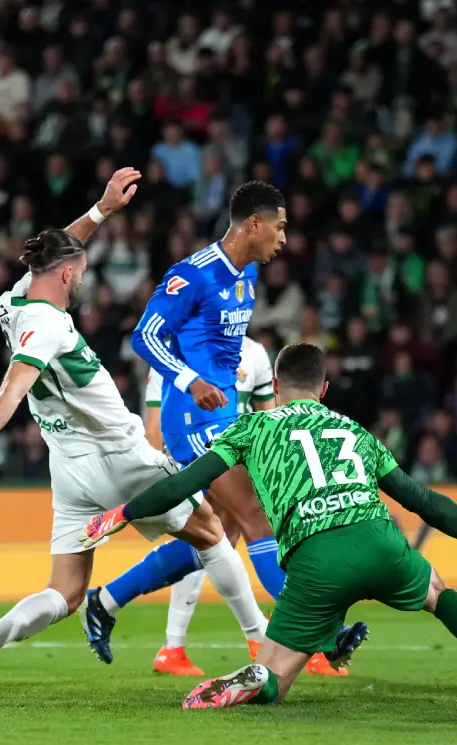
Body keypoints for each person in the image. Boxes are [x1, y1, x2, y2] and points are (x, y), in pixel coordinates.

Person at [80, 342, 457, 708]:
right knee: (435, 589)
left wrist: (123, 514)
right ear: (324, 388)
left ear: (274, 387)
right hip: (379, 542)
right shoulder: (352, 430)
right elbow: (422, 500)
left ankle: (259, 681)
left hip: (314, 562)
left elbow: (182, 485)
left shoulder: (252, 426)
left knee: (276, 674)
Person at [0, 169, 267, 697]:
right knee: (211, 531)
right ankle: (263, 646)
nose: (83, 277)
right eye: (83, 271)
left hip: (68, 469)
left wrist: (100, 211)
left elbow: (58, 253)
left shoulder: (12, 302)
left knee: (65, 592)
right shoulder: (48, 327)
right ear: (68, 277)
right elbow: (13, 385)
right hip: (119, 456)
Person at [81, 181, 364, 676]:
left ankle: (106, 600)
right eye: (278, 227)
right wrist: (189, 382)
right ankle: (321, 632)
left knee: (216, 539)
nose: (282, 238)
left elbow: (224, 355)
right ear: (253, 223)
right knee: (257, 516)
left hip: (224, 416)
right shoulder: (193, 275)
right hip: (191, 417)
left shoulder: (247, 275)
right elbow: (144, 336)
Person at [141, 335, 280, 677]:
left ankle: (173, 646)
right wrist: (158, 475)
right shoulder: (171, 352)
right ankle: (291, 636)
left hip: (241, 463)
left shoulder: (255, 352)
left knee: (215, 546)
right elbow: (154, 425)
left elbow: (268, 416)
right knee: (223, 540)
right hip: (194, 461)